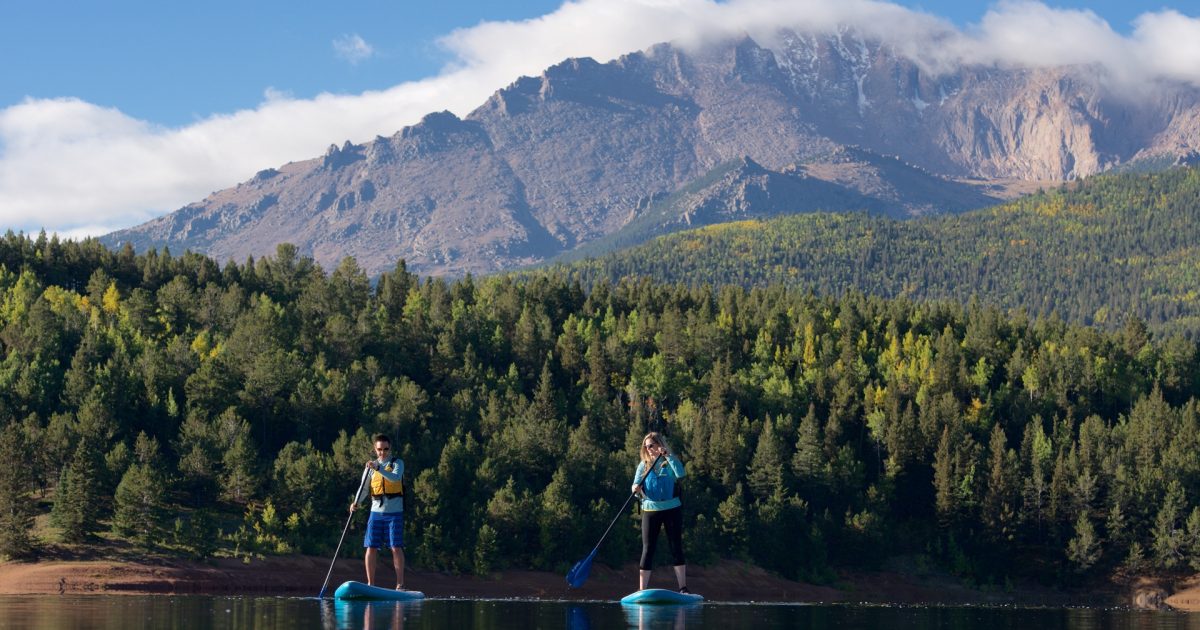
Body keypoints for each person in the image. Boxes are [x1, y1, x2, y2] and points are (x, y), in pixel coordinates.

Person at [632, 432, 689, 593]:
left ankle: (683, 588)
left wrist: (668, 455)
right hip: (650, 509)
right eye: (646, 446)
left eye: (651, 445)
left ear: (659, 445)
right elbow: (635, 484)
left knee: (675, 546)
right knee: (648, 548)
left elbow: (681, 473)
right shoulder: (643, 465)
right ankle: (642, 589)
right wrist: (635, 489)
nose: (648, 449)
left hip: (672, 509)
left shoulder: (669, 461)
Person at [350, 434, 408, 590]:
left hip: (394, 513)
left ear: (390, 448)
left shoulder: (397, 463)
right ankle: (370, 584)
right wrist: (355, 503)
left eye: (386, 449)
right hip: (375, 513)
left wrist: (379, 468)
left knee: (395, 547)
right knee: (371, 547)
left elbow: (395, 479)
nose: (383, 452)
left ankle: (400, 584)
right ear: (375, 449)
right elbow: (363, 488)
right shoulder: (370, 467)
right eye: (380, 449)